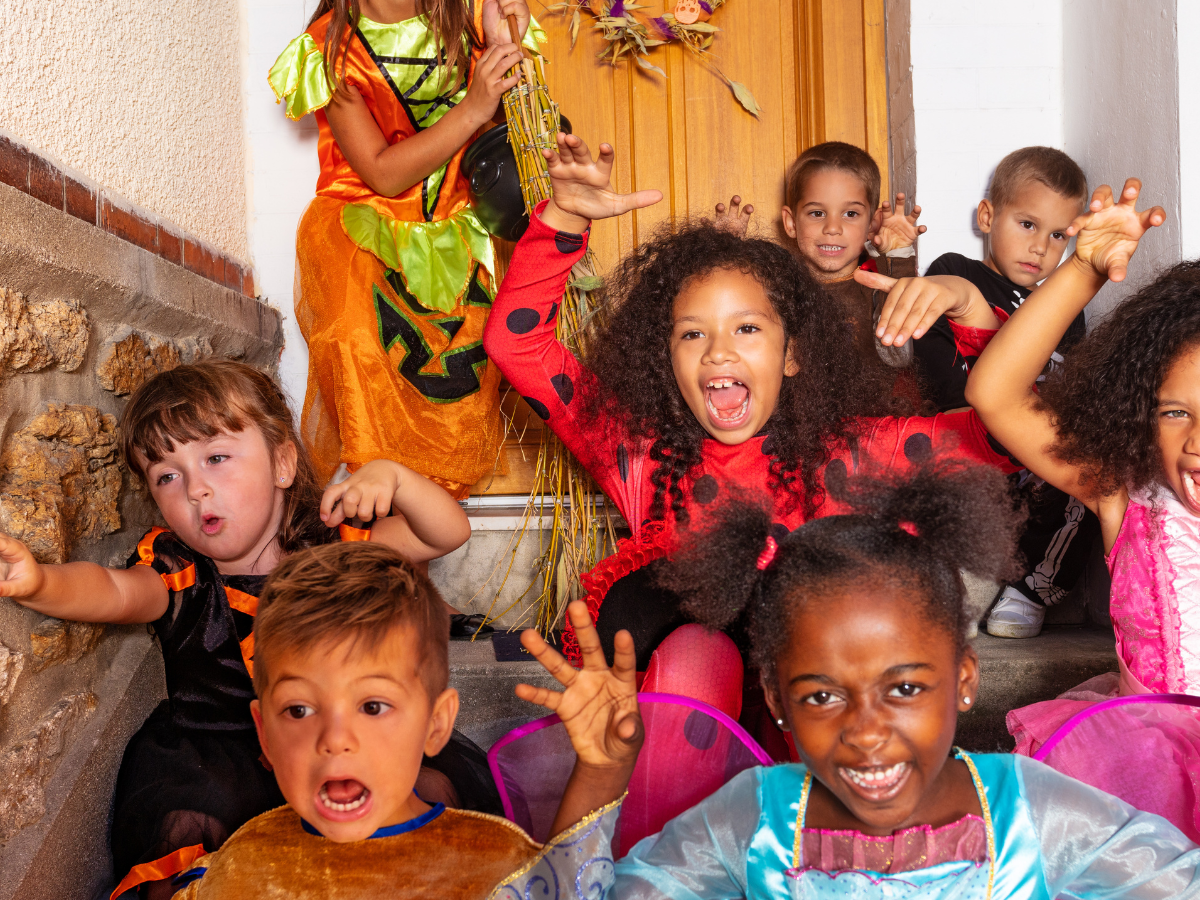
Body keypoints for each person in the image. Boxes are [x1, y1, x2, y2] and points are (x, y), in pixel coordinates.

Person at [499, 462, 1200, 900]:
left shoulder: (1037, 815)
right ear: (776, 700)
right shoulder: (753, 820)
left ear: (963, 679)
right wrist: (598, 777)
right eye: (823, 696)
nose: (866, 732)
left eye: (904, 689)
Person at [482, 130, 1015, 694]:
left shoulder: (858, 451)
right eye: (692, 334)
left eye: (748, 328)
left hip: (821, 719)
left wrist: (972, 307)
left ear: (793, 356)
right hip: (689, 715)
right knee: (688, 646)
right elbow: (517, 346)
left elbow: (1004, 433)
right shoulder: (639, 454)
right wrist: (563, 218)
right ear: (665, 361)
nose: (719, 351)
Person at [0, 360, 473, 899]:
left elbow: (444, 532)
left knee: (426, 794)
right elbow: (111, 592)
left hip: (338, 736)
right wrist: (40, 583)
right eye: (168, 477)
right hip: (216, 755)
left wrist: (395, 477)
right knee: (185, 836)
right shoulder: (177, 573)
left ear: (282, 464)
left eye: (217, 458)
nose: (196, 490)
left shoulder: (340, 548)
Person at [171, 541, 643, 899]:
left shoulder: (488, 863)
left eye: (373, 706)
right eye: (299, 710)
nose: (335, 740)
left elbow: (565, 888)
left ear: (436, 725)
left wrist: (603, 768)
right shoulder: (240, 865)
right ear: (265, 736)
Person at [267, 0, 535, 503]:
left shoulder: (474, 15)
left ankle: (421, 540)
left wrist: (507, 46)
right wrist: (473, 107)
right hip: (365, 234)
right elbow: (384, 174)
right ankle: (376, 545)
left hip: (458, 231)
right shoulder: (332, 48)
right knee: (364, 364)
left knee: (458, 387)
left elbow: (524, 123)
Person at [967, 180, 1200, 755]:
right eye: (1174, 412)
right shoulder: (1131, 498)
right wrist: (1085, 270)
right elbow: (996, 395)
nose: (1197, 441)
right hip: (1146, 772)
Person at [910, 147, 1099, 639]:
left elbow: (1064, 390)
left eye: (1058, 235)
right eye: (1028, 224)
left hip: (1027, 461)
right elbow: (941, 374)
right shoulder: (958, 272)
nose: (1040, 247)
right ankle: (949, 585)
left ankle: (1032, 589)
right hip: (966, 444)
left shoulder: (1061, 305)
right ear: (988, 215)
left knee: (1091, 469)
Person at [717, 142, 929, 409]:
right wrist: (723, 257)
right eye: (817, 213)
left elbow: (904, 320)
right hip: (798, 431)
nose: (832, 228)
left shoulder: (881, 282)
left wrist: (899, 255)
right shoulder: (777, 288)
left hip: (878, 427)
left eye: (850, 214)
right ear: (791, 222)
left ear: (871, 224)